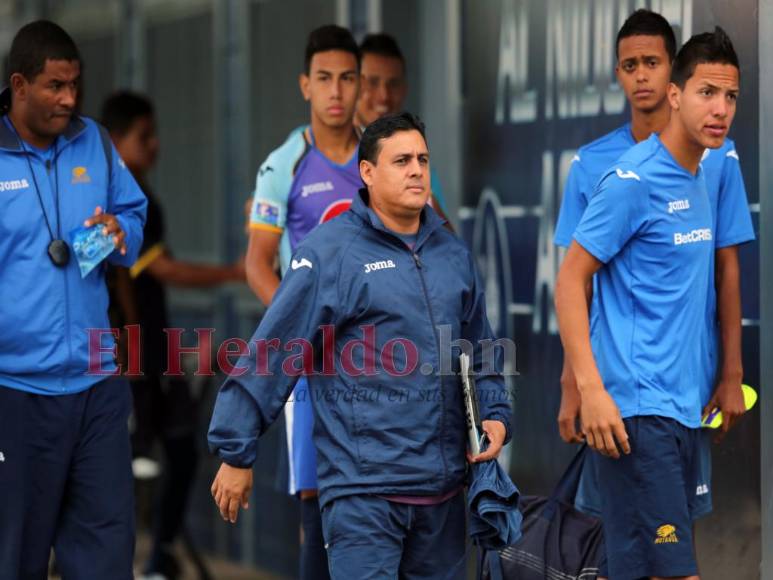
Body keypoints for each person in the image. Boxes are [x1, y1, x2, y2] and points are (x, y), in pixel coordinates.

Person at [210, 112, 511, 579]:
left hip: (444, 495)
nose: (416, 170)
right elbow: (275, 348)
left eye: (423, 159)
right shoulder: (330, 252)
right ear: (367, 173)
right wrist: (236, 449)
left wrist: (495, 411)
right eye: (402, 160)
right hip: (363, 495)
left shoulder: (453, 255)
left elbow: (481, 347)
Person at [553, 10, 754, 575]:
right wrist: (588, 389)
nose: (720, 109)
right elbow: (570, 278)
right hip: (638, 413)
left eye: (731, 96)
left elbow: (722, 275)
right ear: (675, 95)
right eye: (707, 93)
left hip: (683, 408)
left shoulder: (704, 172)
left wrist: (729, 374)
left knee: (631, 569)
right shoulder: (631, 179)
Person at [0, 20, 147, 579]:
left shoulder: (96, 142)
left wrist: (120, 232)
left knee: (107, 555)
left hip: (96, 387)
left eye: (74, 85)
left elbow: (133, 215)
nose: (69, 99)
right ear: (19, 84)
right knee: (15, 556)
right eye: (54, 86)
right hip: (15, 392)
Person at [101, 90, 245, 579]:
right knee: (131, 457)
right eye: (145, 136)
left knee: (181, 449)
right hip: (130, 354)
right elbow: (158, 270)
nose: (156, 145)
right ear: (117, 141)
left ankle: (159, 556)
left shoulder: (141, 201)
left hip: (154, 350)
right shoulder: (107, 201)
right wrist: (235, 273)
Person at [245, 24, 362, 580]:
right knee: (316, 502)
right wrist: (301, 335)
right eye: (324, 79)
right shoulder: (282, 165)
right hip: (314, 363)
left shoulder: (385, 153)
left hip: (384, 360)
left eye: (346, 78)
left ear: (361, 85)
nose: (335, 91)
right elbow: (256, 264)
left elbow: (437, 235)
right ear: (304, 85)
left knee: (385, 498)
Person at [356, 33, 450, 220]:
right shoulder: (309, 149)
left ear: (405, 89)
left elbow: (443, 239)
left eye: (393, 84)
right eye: (373, 83)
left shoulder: (417, 158)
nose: (383, 95)